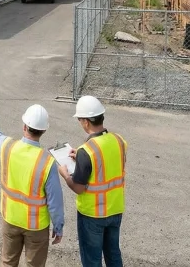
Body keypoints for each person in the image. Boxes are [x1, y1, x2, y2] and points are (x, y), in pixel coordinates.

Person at [0, 100, 64, 267]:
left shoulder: (7, 147)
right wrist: (58, 227)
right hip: (36, 227)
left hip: (10, 219)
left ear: (24, 126)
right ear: (44, 130)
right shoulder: (47, 162)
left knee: (8, 262)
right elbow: (55, 202)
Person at [57, 96, 127, 267]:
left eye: (80, 119)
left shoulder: (86, 150)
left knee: (92, 260)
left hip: (92, 214)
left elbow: (79, 187)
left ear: (86, 122)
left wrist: (65, 175)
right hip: (115, 209)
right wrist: (80, 158)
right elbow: (106, 163)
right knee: (113, 254)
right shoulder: (119, 141)